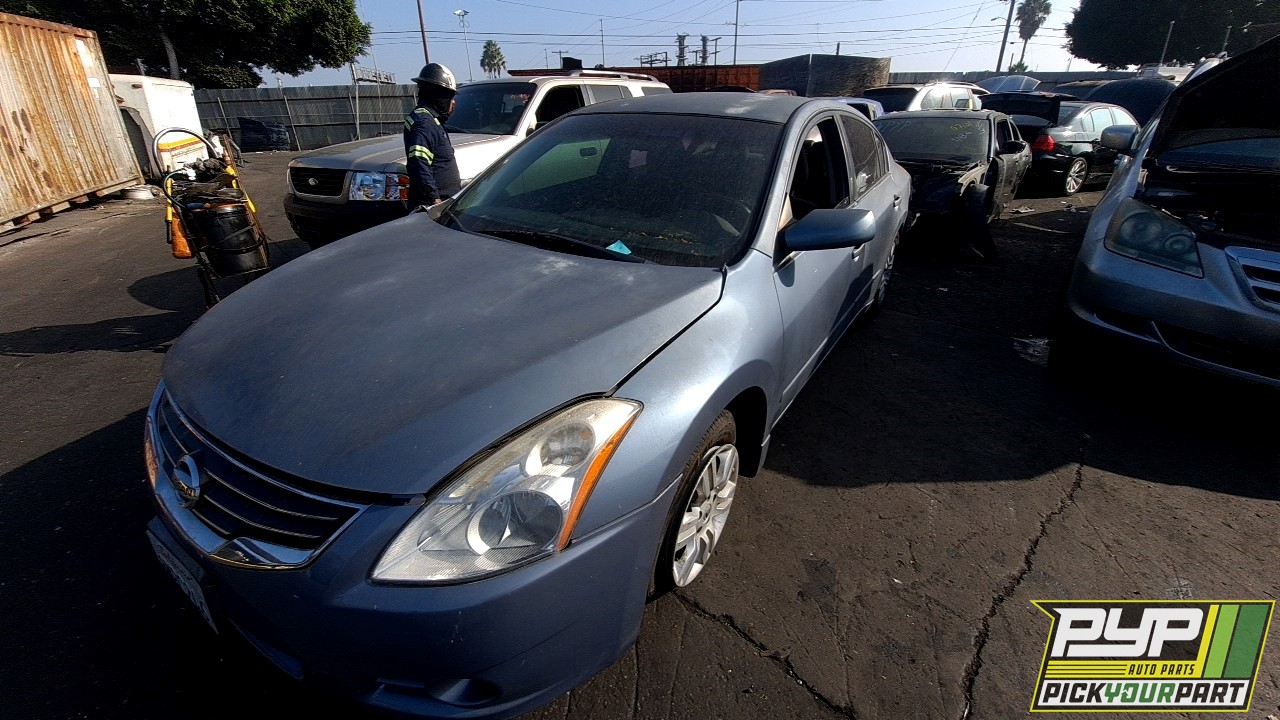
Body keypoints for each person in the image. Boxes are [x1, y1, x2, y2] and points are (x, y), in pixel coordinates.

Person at [404, 63, 461, 209]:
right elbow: (419, 160)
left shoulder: (430, 119)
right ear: (438, 96)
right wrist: (433, 198)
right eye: (449, 96)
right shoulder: (425, 123)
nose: (452, 102)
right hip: (433, 206)